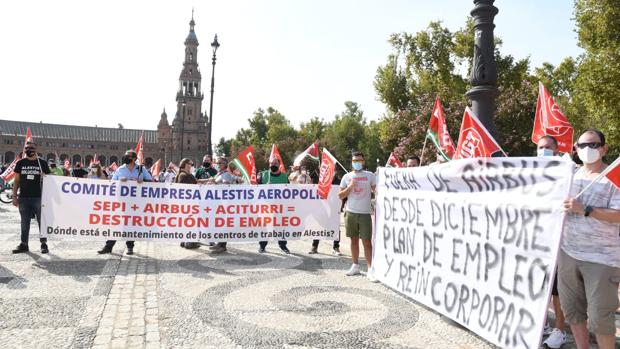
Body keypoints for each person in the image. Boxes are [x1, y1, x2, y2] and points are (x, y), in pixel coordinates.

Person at [561, 129, 620, 349]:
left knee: (600, 319)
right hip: (568, 253)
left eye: (593, 145)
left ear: (604, 148)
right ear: (575, 149)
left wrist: (585, 209)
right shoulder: (569, 175)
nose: (587, 150)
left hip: (601, 259)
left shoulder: (615, 176)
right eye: (582, 145)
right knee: (573, 311)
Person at [535, 135, 567, 349]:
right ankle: (543, 323)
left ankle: (560, 330)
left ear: (556, 149)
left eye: (547, 147)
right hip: (537, 240)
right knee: (539, 286)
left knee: (557, 291)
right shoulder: (533, 172)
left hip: (559, 242)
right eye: (540, 147)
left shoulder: (566, 170)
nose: (543, 150)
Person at [97, 150, 152, 255]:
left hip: (136, 202)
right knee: (116, 224)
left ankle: (130, 246)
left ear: (134, 159)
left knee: (132, 224)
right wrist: (119, 181)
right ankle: (108, 246)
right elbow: (112, 182)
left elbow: (152, 182)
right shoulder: (120, 169)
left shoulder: (141, 169)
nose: (126, 158)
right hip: (121, 202)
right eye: (125, 156)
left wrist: (143, 181)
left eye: (128, 156)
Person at [339, 151, 377, 282]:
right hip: (350, 212)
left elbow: (376, 190)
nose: (357, 163)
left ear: (363, 162)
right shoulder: (347, 176)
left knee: (367, 242)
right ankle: (355, 265)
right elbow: (340, 195)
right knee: (353, 240)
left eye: (359, 161)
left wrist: (376, 190)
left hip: (365, 213)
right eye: (355, 161)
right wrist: (350, 187)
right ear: (352, 162)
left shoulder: (370, 175)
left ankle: (370, 269)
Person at [11, 142, 51, 254]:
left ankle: (43, 244)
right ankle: (24, 244)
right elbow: (16, 181)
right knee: (24, 222)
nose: (29, 150)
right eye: (27, 148)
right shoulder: (21, 163)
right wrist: (14, 196)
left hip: (39, 198)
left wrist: (46, 176)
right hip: (23, 198)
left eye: (31, 148)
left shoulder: (42, 163)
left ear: (36, 149)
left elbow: (51, 179)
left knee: (41, 222)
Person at [207, 157, 245, 253]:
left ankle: (222, 245)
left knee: (223, 224)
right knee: (220, 224)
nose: (218, 164)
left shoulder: (226, 175)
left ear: (225, 164)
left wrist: (214, 183)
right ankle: (220, 243)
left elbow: (225, 187)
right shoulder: (219, 173)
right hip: (217, 203)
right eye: (217, 163)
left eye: (220, 163)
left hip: (224, 204)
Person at [258, 157, 290, 254]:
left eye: (275, 163)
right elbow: (256, 188)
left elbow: (289, 190)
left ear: (279, 165)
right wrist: (265, 186)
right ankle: (262, 246)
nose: (273, 165)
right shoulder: (264, 175)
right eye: (272, 163)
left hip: (280, 206)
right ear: (269, 165)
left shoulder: (284, 176)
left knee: (280, 226)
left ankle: (283, 245)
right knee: (264, 226)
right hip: (266, 206)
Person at [308, 168, 342, 255]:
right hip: (322, 208)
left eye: (332, 170)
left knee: (335, 227)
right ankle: (314, 246)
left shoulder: (339, 181)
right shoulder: (322, 181)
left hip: (334, 208)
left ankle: (336, 247)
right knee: (319, 226)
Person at [174, 158, 203, 249]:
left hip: (188, 203)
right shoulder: (183, 175)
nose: (192, 166)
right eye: (191, 164)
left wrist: (208, 180)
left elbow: (196, 181)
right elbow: (188, 188)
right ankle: (189, 242)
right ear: (186, 164)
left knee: (187, 222)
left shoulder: (187, 174)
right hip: (188, 203)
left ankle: (185, 241)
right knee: (190, 222)